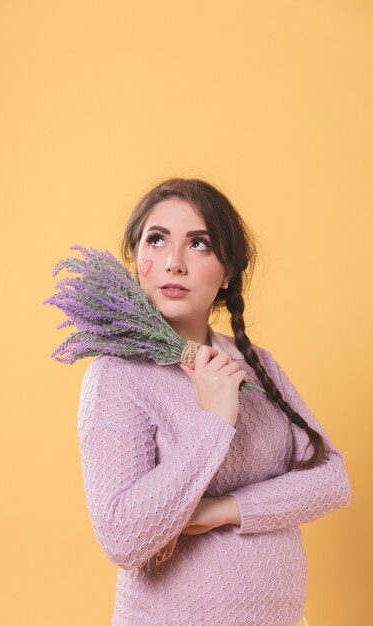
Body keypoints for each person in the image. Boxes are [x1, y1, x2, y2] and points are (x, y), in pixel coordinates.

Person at [77, 177, 351, 626]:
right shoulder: (117, 377)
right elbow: (123, 537)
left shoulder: (255, 364)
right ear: (137, 259)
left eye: (199, 244)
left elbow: (333, 479)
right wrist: (214, 423)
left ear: (227, 271)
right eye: (157, 240)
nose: (174, 263)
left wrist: (217, 511)